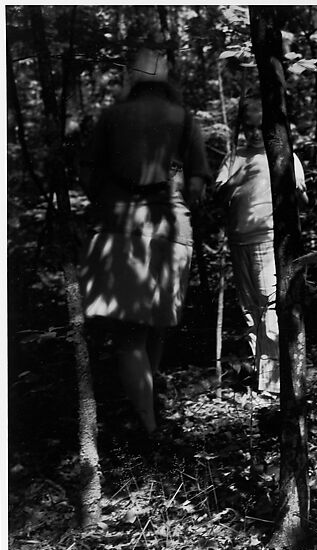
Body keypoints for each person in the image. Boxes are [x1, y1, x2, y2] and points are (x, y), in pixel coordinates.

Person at [78, 45, 211, 437]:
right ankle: (150, 407)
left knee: (129, 335)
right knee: (154, 326)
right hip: (172, 231)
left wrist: (109, 198)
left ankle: (149, 426)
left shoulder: (112, 117)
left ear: (132, 76)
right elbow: (198, 185)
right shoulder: (184, 119)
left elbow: (86, 173)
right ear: (166, 76)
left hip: (120, 227)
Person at [215, 97, 308, 396]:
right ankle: (261, 377)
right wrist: (237, 178)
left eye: (259, 126)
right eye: (248, 127)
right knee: (249, 310)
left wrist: (296, 191)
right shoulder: (234, 158)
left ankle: (275, 385)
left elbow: (302, 201)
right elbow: (216, 199)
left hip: (269, 238)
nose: (254, 133)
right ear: (241, 127)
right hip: (239, 240)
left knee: (270, 305)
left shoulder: (284, 155)